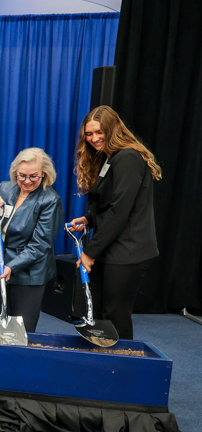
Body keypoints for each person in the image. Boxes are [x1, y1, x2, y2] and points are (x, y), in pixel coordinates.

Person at [69, 106, 162, 340]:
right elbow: (110, 203)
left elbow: (120, 210)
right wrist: (89, 219)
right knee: (101, 313)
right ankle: (104, 358)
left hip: (128, 251)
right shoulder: (109, 158)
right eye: (89, 134)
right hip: (110, 248)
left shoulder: (128, 157)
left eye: (99, 132)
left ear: (112, 130)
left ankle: (123, 360)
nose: (94, 138)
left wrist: (90, 252)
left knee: (115, 314)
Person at [0, 147, 63, 333]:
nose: (26, 181)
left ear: (44, 174)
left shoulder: (50, 200)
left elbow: (40, 245)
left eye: (33, 176)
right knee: (0, 324)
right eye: (22, 176)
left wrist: (12, 266)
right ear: (15, 172)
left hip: (29, 271)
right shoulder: (5, 188)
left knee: (22, 328)